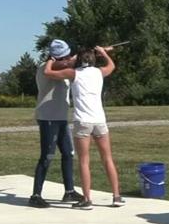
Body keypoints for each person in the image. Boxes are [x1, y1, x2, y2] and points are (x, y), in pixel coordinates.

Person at [45, 45, 123, 210]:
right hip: (100, 121)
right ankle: (116, 196)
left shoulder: (73, 74)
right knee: (107, 158)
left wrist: (51, 60)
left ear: (79, 59)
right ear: (93, 59)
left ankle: (87, 199)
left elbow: (48, 72)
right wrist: (103, 53)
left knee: (84, 161)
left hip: (83, 122)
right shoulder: (99, 72)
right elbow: (112, 66)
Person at [30, 39, 83, 208]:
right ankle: (36, 195)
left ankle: (69, 191)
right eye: (64, 57)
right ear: (56, 58)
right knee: (47, 156)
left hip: (61, 118)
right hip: (48, 118)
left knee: (68, 154)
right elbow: (64, 65)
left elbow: (70, 65)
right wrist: (83, 57)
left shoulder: (63, 67)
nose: (68, 59)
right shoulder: (45, 68)